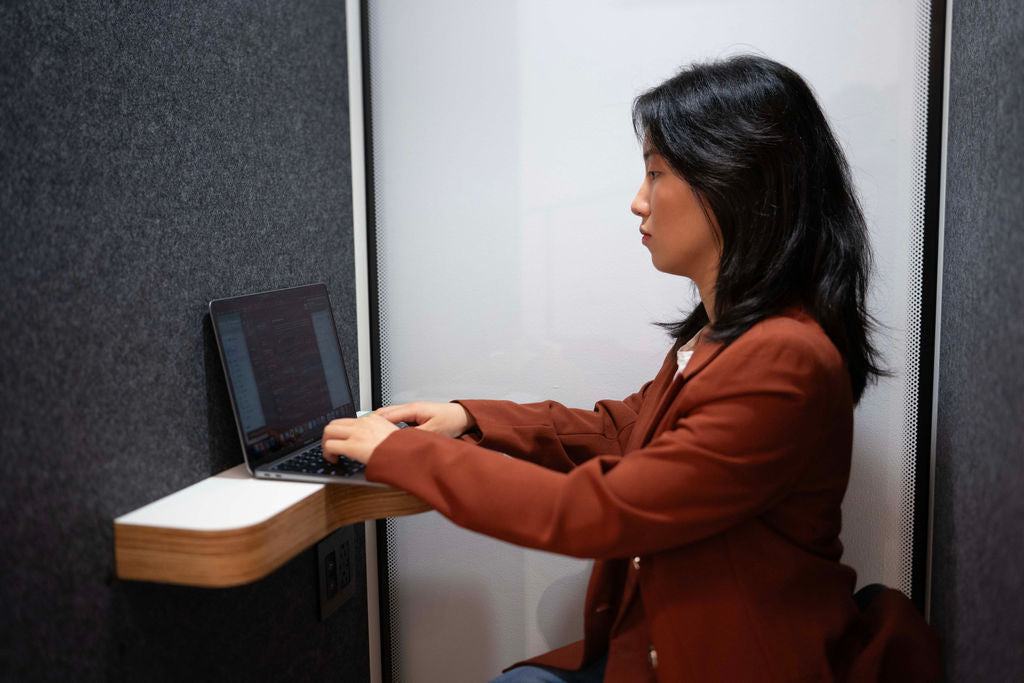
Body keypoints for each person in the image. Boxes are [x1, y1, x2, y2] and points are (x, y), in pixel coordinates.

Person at [321, 55, 941, 682]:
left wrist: (398, 454)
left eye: (655, 174)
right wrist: (470, 417)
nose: (637, 202)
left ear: (734, 181)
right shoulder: (722, 336)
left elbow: (599, 513)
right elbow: (626, 432)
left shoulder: (784, 361)